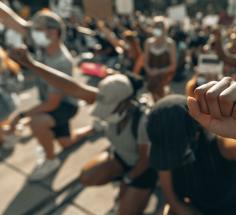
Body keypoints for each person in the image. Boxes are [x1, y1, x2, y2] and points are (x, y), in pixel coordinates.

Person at [9, 47, 158, 215]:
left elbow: (145, 162)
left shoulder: (144, 120)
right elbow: (70, 86)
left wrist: (127, 181)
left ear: (126, 102)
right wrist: (32, 64)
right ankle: (121, 182)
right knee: (87, 177)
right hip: (121, 157)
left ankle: (137, 192)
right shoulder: (107, 96)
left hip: (143, 169)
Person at [147, 77, 236, 215]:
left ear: (195, 134)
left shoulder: (218, 145)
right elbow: (173, 200)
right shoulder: (162, 152)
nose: (171, 158)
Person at [0, 3, 78, 181]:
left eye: (39, 30)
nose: (34, 34)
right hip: (51, 102)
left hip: (65, 106)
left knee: (36, 122)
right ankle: (92, 128)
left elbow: (53, 104)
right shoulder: (44, 44)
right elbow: (9, 19)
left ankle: (50, 160)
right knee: (67, 143)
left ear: (54, 32)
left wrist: (20, 117)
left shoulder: (62, 61)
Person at [144, 16, 177, 101]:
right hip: (152, 78)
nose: (158, 29)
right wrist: (150, 72)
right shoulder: (148, 43)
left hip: (165, 78)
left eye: (160, 26)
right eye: (156, 26)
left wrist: (159, 72)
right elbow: (146, 63)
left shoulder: (170, 44)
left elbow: (173, 65)